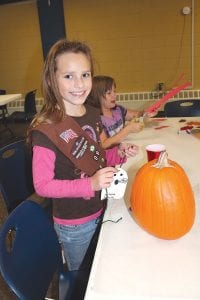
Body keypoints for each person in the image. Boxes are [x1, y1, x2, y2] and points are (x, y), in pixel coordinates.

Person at [28, 39, 139, 271]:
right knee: (84, 277)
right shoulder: (47, 129)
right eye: (68, 76)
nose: (79, 84)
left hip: (103, 207)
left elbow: (97, 156)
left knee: (104, 267)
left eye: (85, 75)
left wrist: (118, 154)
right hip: (75, 224)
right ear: (51, 79)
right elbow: (43, 186)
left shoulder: (91, 113)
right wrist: (90, 184)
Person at [87, 75, 157, 149]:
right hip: (111, 156)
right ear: (96, 96)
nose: (114, 95)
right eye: (109, 93)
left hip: (124, 149)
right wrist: (128, 129)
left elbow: (137, 115)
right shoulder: (95, 119)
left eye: (114, 91)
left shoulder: (118, 109)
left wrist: (147, 112)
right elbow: (104, 144)